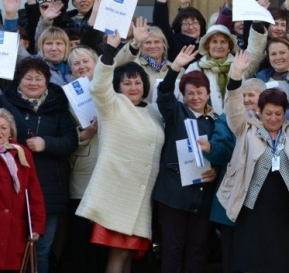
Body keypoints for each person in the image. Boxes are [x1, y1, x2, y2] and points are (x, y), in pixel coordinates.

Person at [217, 50, 289, 273]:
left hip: (283, 208)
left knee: (278, 263)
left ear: (285, 114)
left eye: (278, 114)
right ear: (260, 111)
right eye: (268, 113)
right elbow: (233, 107)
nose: (273, 118)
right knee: (249, 262)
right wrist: (236, 75)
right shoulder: (246, 128)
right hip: (252, 206)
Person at [77, 29, 165, 273]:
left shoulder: (152, 111)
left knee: (126, 256)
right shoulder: (112, 104)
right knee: (117, 256)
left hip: (141, 196)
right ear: (118, 86)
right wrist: (110, 51)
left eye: (137, 82)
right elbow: (99, 86)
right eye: (127, 83)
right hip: (118, 194)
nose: (133, 87)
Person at [0, 57, 78, 273]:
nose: (33, 83)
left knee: (41, 250)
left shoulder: (58, 106)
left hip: (49, 190)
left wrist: (47, 144)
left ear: (46, 81)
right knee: (8, 249)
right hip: (11, 191)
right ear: (19, 80)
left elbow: (71, 140)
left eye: (39, 78)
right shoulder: (5, 103)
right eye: (28, 78)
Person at [153, 45, 219, 273]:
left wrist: (217, 170)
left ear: (208, 94)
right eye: (190, 93)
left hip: (202, 196)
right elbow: (163, 94)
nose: (195, 97)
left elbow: (220, 152)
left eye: (200, 92)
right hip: (174, 194)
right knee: (172, 248)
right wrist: (175, 68)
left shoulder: (215, 121)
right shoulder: (175, 112)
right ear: (183, 95)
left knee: (198, 249)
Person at [206, 78, 265, 273]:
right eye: (243, 95)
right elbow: (221, 152)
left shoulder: (272, 119)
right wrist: (211, 149)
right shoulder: (226, 119)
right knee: (231, 256)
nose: (247, 99)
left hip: (261, 199)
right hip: (231, 195)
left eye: (251, 95)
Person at [64, 46, 108, 272]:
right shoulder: (67, 95)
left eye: (85, 61)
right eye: (76, 64)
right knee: (81, 231)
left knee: (103, 233)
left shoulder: (109, 87)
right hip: (83, 167)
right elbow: (65, 134)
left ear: (95, 63)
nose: (81, 66)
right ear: (70, 69)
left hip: (109, 167)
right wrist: (87, 133)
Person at [0, 108, 46, 272]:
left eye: (3, 128)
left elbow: (34, 193)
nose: (0, 132)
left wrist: (37, 226)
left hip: (14, 231)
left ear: (11, 131)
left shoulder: (21, 153)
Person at [183, 25, 238, 115]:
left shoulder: (238, 66)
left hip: (234, 123)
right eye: (214, 42)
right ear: (207, 46)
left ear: (229, 47)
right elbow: (184, 97)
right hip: (204, 121)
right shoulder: (195, 68)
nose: (218, 46)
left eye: (223, 42)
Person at [114, 18, 171, 100]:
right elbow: (116, 65)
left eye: (157, 42)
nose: (153, 46)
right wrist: (135, 43)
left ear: (164, 45)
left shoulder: (176, 68)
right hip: (141, 111)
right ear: (141, 46)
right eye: (148, 42)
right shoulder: (133, 64)